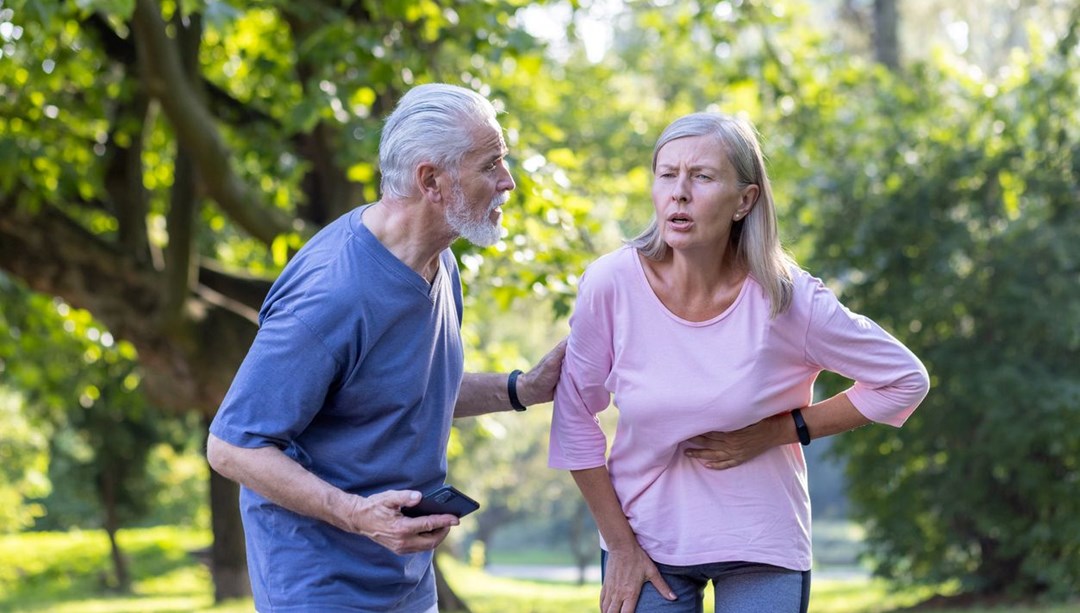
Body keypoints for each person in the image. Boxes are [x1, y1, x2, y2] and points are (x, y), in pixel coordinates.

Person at [548, 112, 929, 613]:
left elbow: (903, 379)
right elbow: (575, 414)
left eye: (702, 177)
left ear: (744, 200)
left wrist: (776, 431)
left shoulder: (787, 298)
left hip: (759, 536)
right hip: (642, 536)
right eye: (667, 174)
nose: (679, 193)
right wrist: (618, 543)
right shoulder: (611, 284)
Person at [207, 83, 566, 613]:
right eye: (490, 164)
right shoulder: (332, 295)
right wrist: (356, 514)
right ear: (432, 181)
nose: (507, 182)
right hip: (319, 584)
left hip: (403, 576)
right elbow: (233, 446)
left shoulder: (439, 260)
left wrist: (523, 388)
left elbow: (409, 389)